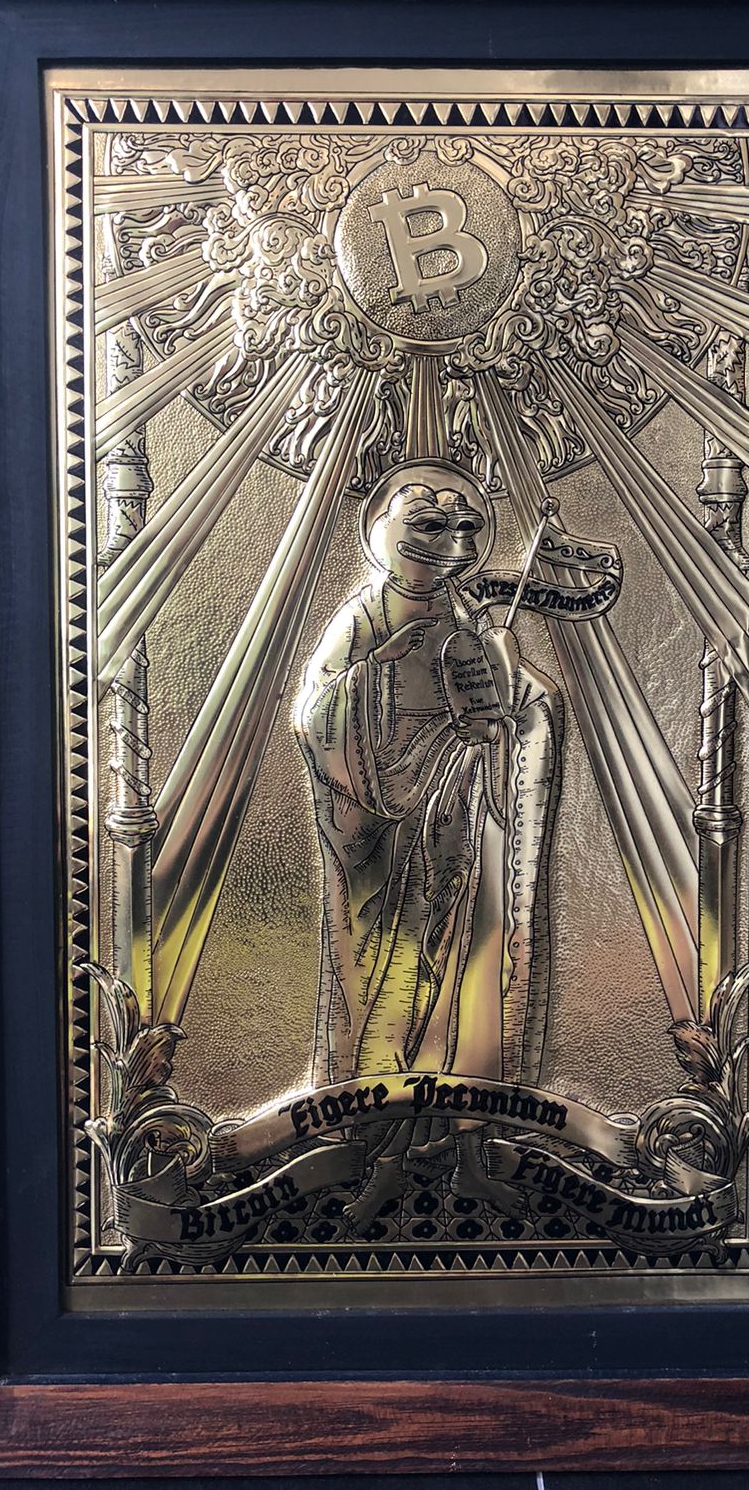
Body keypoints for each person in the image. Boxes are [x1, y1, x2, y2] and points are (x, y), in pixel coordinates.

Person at [294, 460, 563, 1226]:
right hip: (389, 847)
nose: (451, 542)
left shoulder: (469, 617)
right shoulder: (362, 616)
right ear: (380, 531)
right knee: (393, 990)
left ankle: (469, 1150)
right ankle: (378, 1158)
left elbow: (516, 709)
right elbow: (317, 716)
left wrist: (512, 703)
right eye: (429, 524)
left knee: (475, 983)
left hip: (468, 833)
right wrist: (396, 669)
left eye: (465, 527)